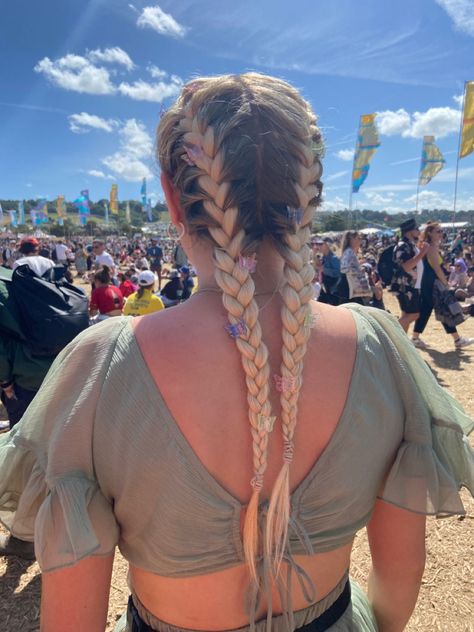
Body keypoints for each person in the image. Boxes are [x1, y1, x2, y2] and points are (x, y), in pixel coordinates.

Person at [0, 73, 473, 632]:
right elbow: (399, 577)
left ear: (173, 197)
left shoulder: (100, 366)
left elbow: (72, 621)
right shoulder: (381, 345)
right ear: (312, 195)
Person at [412, 222, 473, 350]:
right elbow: (436, 268)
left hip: (429, 282)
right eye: (438, 231)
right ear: (430, 233)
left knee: (429, 309)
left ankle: (416, 338)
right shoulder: (431, 247)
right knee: (443, 308)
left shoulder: (430, 246)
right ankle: (457, 340)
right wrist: (446, 283)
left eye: (441, 231)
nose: (441, 233)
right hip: (433, 282)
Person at [392, 219, 429, 334]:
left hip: (410, 285)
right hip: (405, 285)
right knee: (414, 314)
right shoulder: (403, 245)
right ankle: (390, 334)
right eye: (416, 229)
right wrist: (422, 252)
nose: (419, 231)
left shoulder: (409, 245)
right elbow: (406, 267)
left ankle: (401, 344)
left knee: (406, 315)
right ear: (409, 231)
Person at [339, 231, 372, 305]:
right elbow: (345, 269)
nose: (360, 240)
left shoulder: (349, 252)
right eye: (358, 238)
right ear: (351, 240)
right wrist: (360, 270)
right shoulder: (349, 252)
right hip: (347, 287)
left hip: (348, 287)